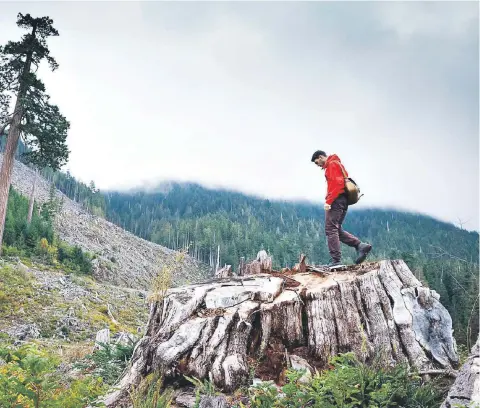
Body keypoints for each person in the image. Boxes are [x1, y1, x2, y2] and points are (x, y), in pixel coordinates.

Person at [311, 150, 372, 269]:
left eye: (317, 162)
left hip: (336, 200)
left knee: (330, 229)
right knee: (336, 229)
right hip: (343, 200)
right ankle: (360, 245)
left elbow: (337, 185)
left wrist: (329, 202)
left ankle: (336, 261)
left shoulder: (332, 165)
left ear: (321, 157)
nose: (317, 165)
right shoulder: (337, 164)